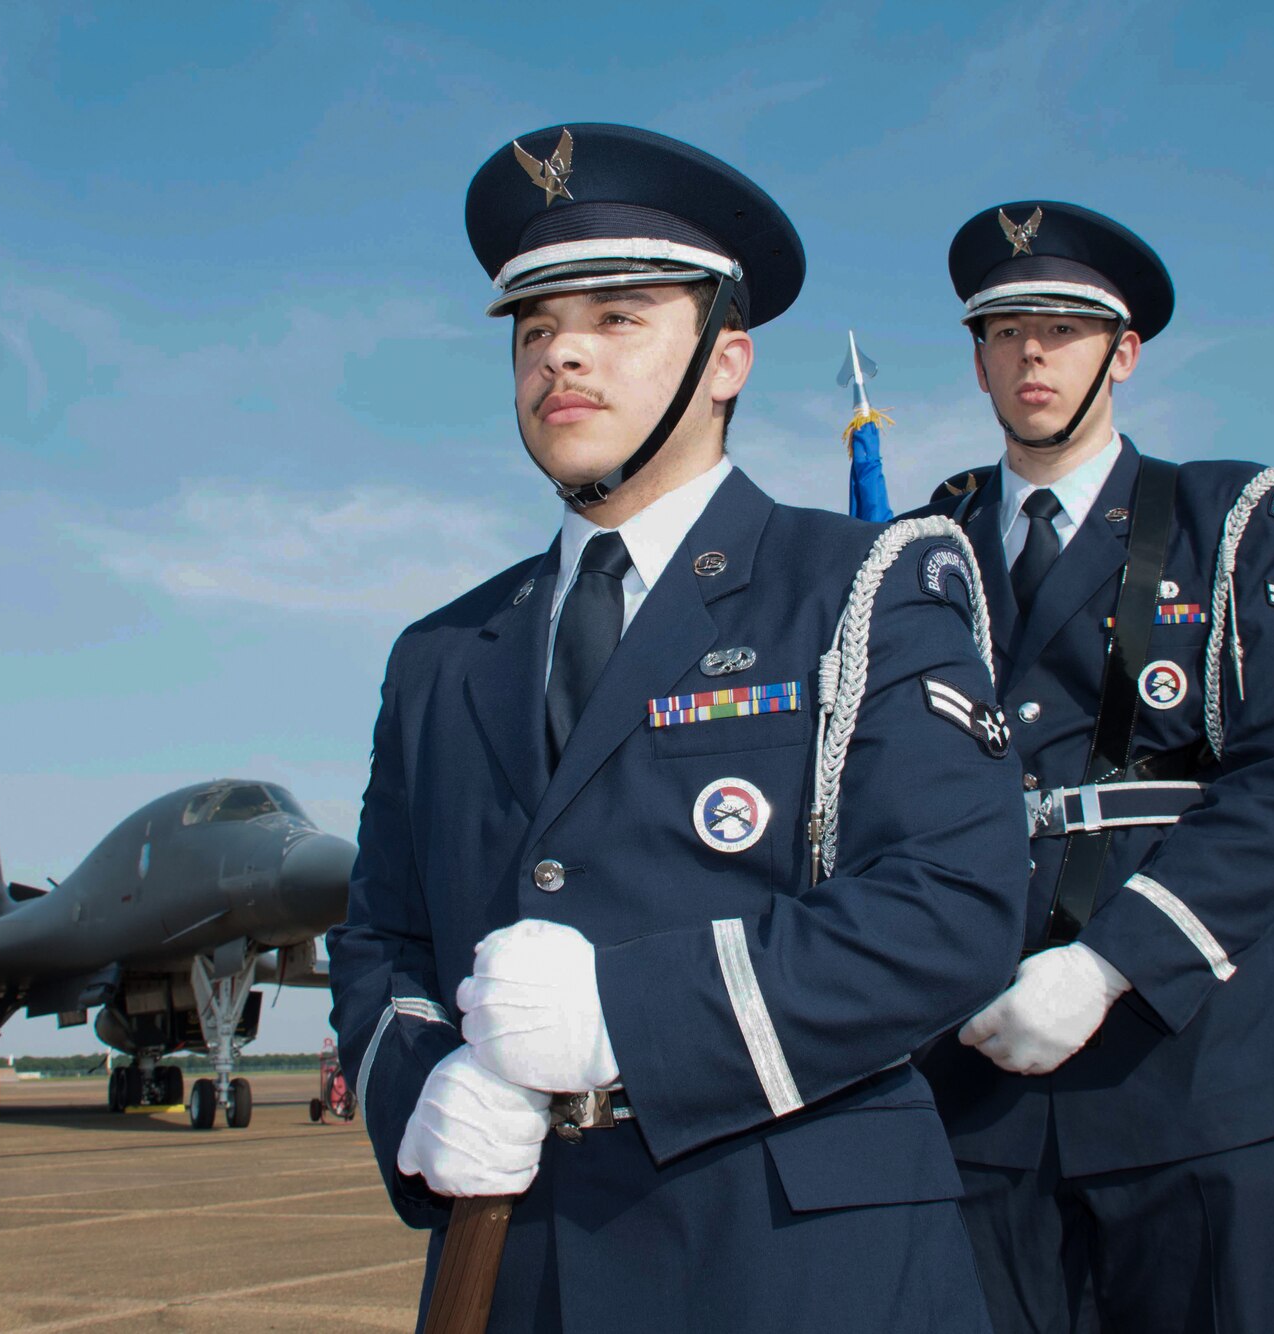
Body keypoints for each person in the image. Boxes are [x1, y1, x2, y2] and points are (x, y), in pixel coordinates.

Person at [326, 123, 1032, 1332]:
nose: (563, 358)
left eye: (617, 317)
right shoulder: (441, 654)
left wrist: (630, 1016)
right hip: (519, 1262)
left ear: (725, 360)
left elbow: (951, 903)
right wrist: (418, 1082)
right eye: (535, 329)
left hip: (794, 1267)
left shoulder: (863, 584)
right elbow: (382, 936)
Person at [907, 201, 1274, 1332]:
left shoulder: (1232, 515)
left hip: (1187, 1060)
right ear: (974, 358)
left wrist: (1111, 963)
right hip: (975, 1069)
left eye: (1061, 327)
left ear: (1124, 351)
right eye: (1003, 331)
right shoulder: (923, 545)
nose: (1029, 354)